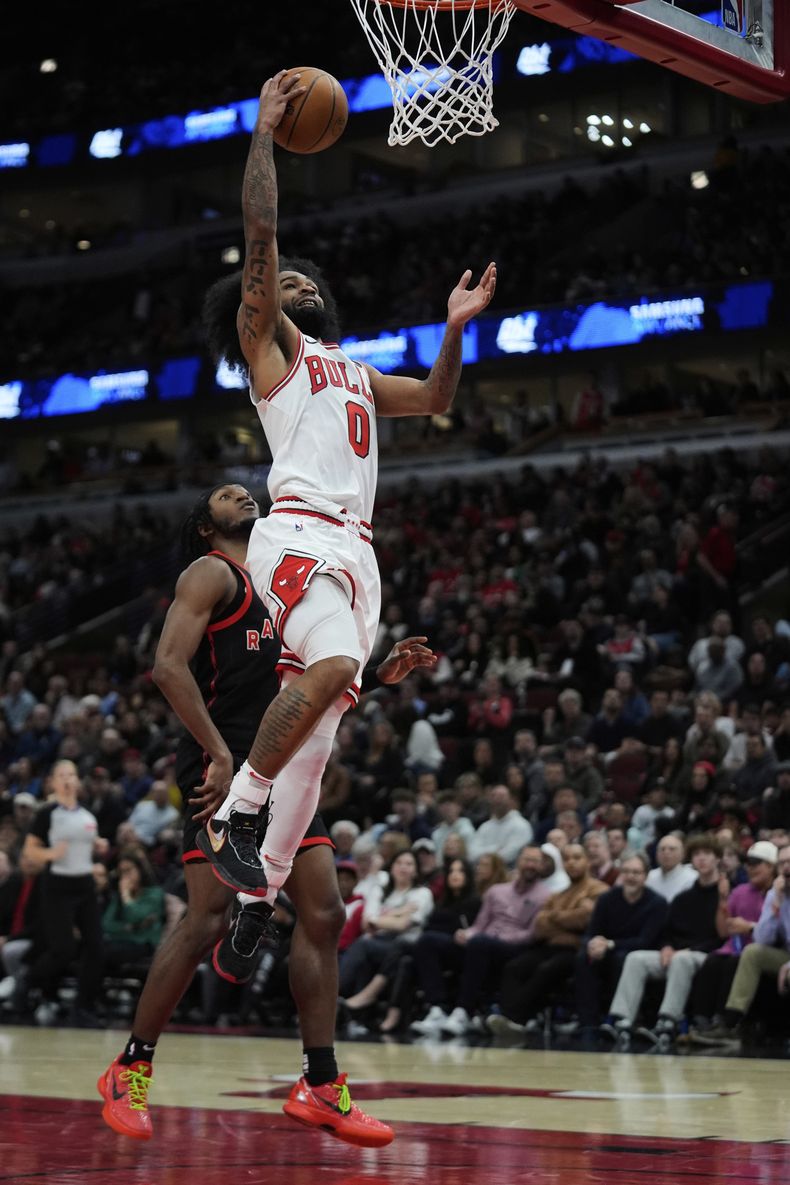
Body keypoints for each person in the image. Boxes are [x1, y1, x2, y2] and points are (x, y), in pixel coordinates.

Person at [198, 71, 495, 921]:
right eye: (280, 283)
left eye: (303, 282)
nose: (295, 285)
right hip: (295, 533)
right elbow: (263, 227)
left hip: (357, 551)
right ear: (259, 305)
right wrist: (262, 131)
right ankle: (238, 813)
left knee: (321, 736)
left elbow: (437, 400)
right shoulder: (272, 353)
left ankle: (263, 888)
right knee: (330, 670)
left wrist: (453, 328)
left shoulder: (357, 373)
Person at [98, 487, 432, 1147]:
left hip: (276, 768)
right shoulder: (211, 573)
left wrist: (374, 674)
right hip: (218, 763)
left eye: (243, 486)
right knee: (205, 917)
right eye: (223, 494)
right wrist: (219, 754)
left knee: (326, 911)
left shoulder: (292, 588)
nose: (240, 491)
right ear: (205, 526)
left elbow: (311, 694)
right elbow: (167, 667)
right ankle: (130, 1065)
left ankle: (320, 1082)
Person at [411, 845, 551, 1037]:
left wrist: (492, 938)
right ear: (518, 862)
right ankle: (438, 1008)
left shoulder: (546, 896)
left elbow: (531, 934)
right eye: (527, 859)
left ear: (542, 866)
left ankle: (463, 1012)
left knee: (480, 944)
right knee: (428, 941)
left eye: (535, 861)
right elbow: (479, 925)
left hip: (514, 948)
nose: (530, 865)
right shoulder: (496, 891)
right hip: (482, 943)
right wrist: (466, 934)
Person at [601, 834, 723, 1048]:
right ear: (691, 859)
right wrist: (666, 947)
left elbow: (721, 937)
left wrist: (686, 949)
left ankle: (668, 1021)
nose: (702, 859)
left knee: (682, 960)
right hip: (676, 954)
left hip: (708, 956)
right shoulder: (683, 897)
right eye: (697, 854)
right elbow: (667, 929)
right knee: (636, 958)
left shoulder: (725, 893)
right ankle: (622, 1019)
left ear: (717, 859)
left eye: (707, 854)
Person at [487, 843, 607, 1038]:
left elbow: (586, 920)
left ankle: (515, 1018)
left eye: (577, 858)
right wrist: (571, 917)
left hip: (577, 950)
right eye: (567, 859)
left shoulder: (599, 889)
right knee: (515, 967)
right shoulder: (558, 894)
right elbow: (540, 926)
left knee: (547, 970)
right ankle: (514, 1020)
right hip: (550, 946)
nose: (572, 863)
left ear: (586, 861)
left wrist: (556, 918)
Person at [19, 759, 103, 1026]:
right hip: (58, 886)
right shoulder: (47, 813)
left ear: (77, 781)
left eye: (72, 774)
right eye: (62, 775)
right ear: (54, 782)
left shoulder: (88, 816)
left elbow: (85, 849)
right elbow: (30, 850)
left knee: (97, 948)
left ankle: (83, 1008)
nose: (67, 779)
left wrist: (99, 847)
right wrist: (49, 854)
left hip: (85, 885)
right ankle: (26, 982)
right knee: (63, 950)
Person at [693, 842, 790, 1048]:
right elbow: (763, 939)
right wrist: (777, 903)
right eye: (783, 863)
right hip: (781, 955)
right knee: (750, 952)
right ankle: (729, 1024)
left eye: (789, 863)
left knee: (736, 960)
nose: (787, 868)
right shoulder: (776, 894)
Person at [574, 851, 667, 1035]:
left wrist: (609, 944)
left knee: (622, 959)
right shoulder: (607, 898)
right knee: (582, 958)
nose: (630, 877)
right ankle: (587, 1022)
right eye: (626, 872)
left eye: (636, 872)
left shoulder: (657, 903)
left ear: (646, 876)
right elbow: (591, 932)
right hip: (608, 949)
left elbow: (645, 941)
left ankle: (620, 1019)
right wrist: (593, 944)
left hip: (638, 953)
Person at [646, 834, 697, 902]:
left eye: (672, 849)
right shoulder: (649, 877)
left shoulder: (693, 878)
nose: (666, 852)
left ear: (682, 853)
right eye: (662, 849)